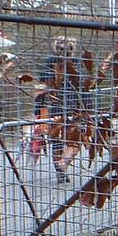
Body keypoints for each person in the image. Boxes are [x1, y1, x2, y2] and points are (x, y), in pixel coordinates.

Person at [31, 36, 86, 184]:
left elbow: (83, 86)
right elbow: (43, 87)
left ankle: (61, 165)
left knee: (70, 139)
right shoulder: (51, 63)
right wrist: (38, 111)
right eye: (62, 49)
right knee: (64, 140)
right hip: (59, 106)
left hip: (68, 107)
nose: (65, 52)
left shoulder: (74, 63)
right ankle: (61, 166)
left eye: (68, 49)